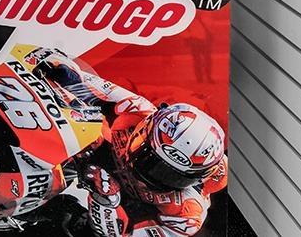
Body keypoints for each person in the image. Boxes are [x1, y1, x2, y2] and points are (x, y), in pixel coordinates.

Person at [33, 53, 228, 237]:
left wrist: (106, 201)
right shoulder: (137, 109)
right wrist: (61, 72)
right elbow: (84, 84)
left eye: (173, 176)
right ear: (144, 130)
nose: (151, 176)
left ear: (196, 179)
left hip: (115, 213)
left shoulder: (187, 214)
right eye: (151, 160)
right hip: (92, 158)